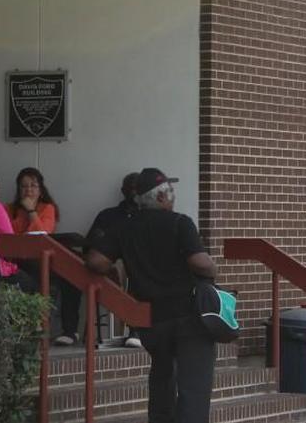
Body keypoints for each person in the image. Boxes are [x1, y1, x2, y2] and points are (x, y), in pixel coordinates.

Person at [86, 167, 217, 423]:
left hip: (152, 319)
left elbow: (95, 260)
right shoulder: (180, 222)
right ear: (160, 197)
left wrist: (114, 267)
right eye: (170, 192)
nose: (173, 197)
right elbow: (200, 264)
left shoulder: (124, 227)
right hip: (189, 316)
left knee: (161, 376)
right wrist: (214, 267)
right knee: (194, 386)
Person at [5, 167, 83, 346]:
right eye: (24, 186)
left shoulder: (47, 208)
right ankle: (31, 329)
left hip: (43, 259)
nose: (29, 190)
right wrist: (24, 213)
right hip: (16, 260)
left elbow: (42, 233)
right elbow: (10, 233)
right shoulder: (8, 209)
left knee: (72, 276)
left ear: (41, 190)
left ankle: (70, 330)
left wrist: (31, 211)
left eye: (33, 186)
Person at [85, 171, 142, 347]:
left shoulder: (148, 216)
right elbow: (90, 243)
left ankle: (135, 330)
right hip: (111, 265)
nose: (134, 192)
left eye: (137, 189)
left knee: (139, 269)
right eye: (130, 188)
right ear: (123, 190)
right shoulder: (108, 215)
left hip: (138, 266)